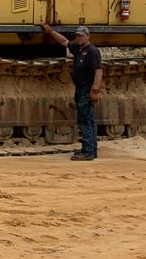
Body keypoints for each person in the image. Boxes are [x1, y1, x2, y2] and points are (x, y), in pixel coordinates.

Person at [41, 23, 103, 160]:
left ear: (87, 36)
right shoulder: (79, 49)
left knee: (85, 120)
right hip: (81, 88)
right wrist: (51, 31)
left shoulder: (92, 51)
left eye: (81, 36)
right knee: (88, 119)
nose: (79, 38)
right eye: (78, 36)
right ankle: (91, 150)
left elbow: (98, 71)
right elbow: (64, 41)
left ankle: (88, 152)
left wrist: (95, 90)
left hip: (86, 89)